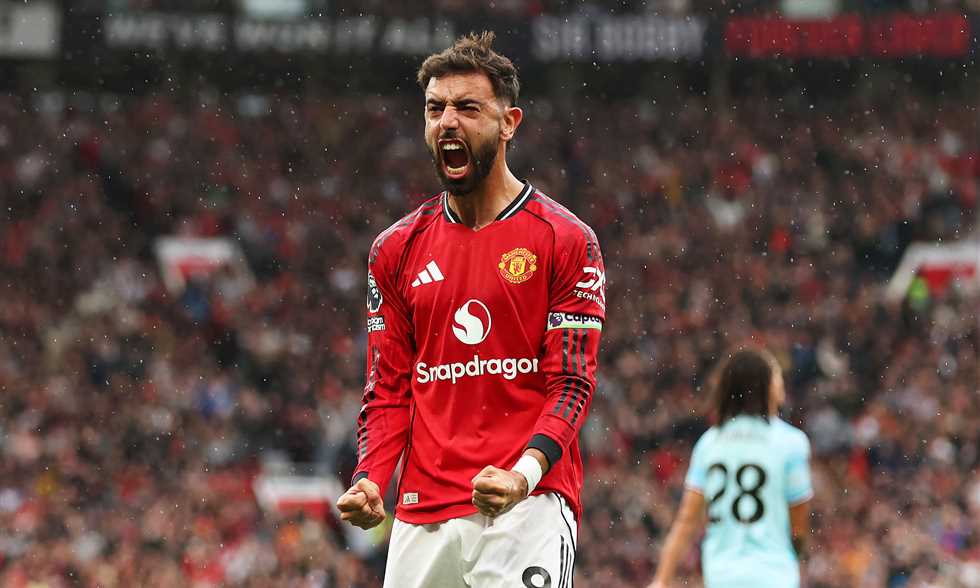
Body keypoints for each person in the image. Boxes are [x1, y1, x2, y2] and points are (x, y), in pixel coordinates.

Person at [335, 31, 606, 588]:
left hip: (526, 508)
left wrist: (523, 474)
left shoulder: (565, 240)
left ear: (509, 123)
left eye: (467, 108)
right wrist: (371, 477)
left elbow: (572, 383)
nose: (447, 122)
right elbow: (388, 388)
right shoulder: (395, 249)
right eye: (435, 109)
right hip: (421, 515)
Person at [648, 348, 813, 588]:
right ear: (766, 385)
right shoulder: (791, 442)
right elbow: (798, 522)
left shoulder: (709, 443)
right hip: (774, 573)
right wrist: (794, 556)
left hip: (722, 574)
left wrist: (662, 579)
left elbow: (687, 520)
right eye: (777, 376)